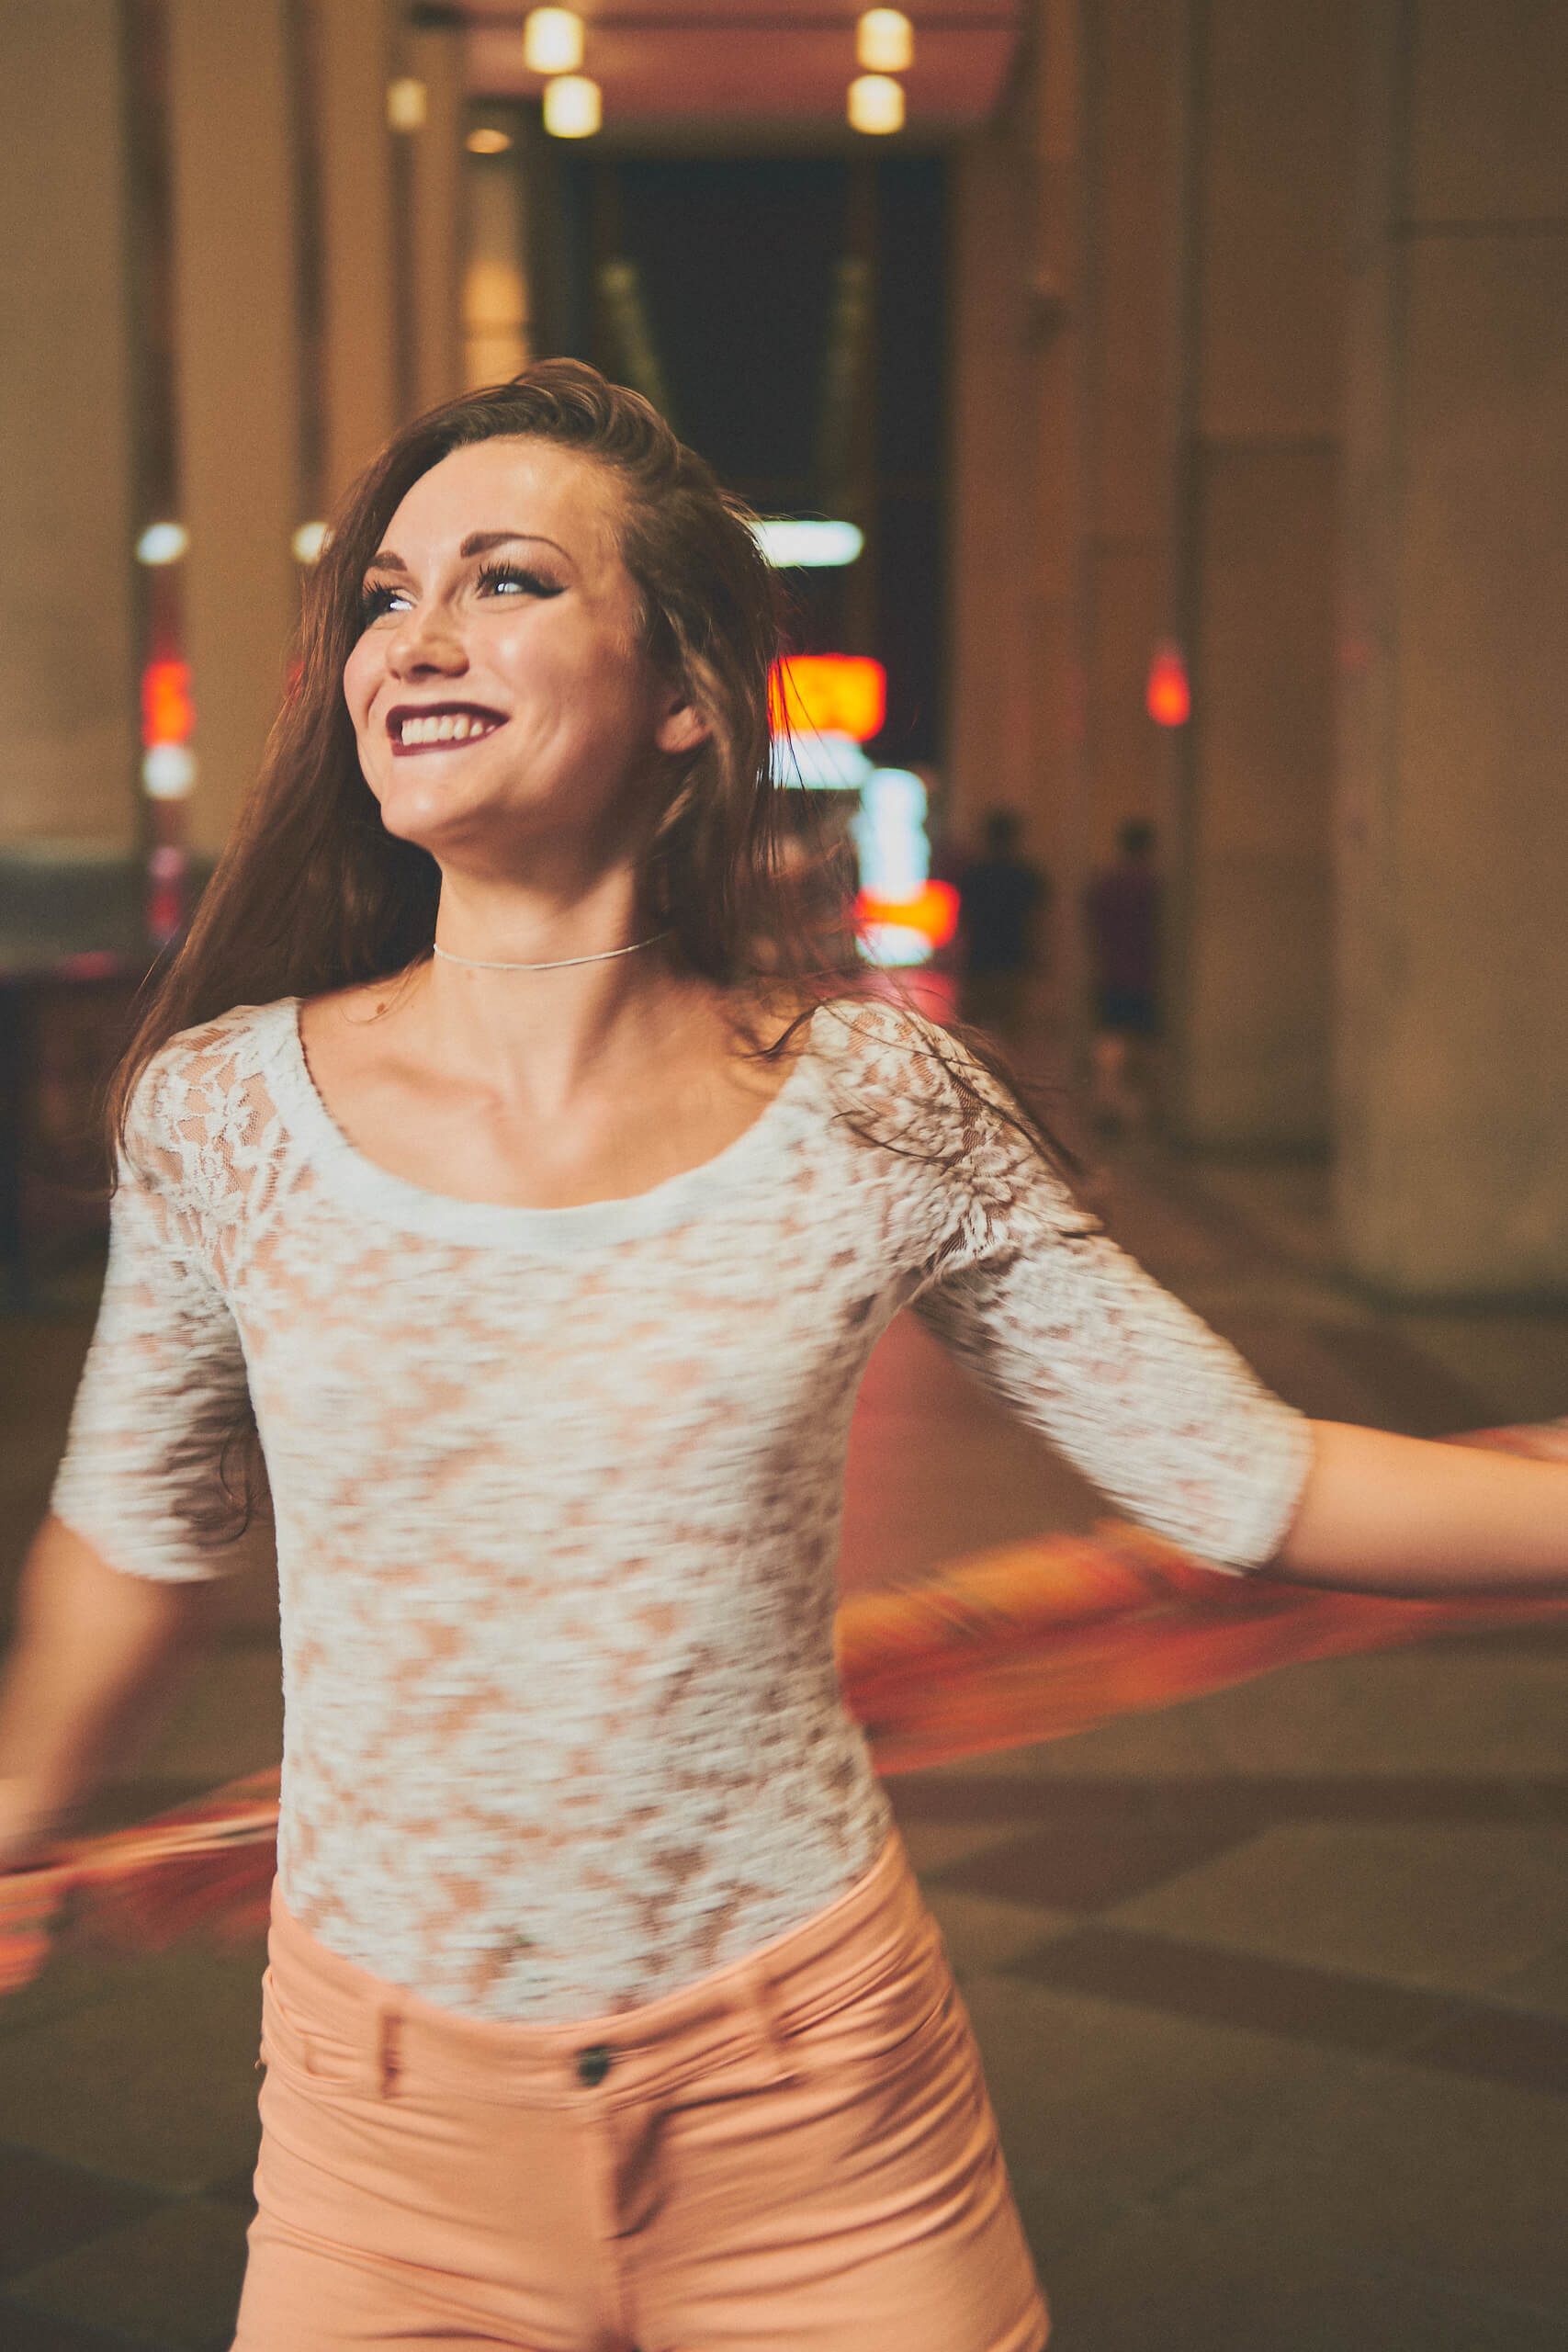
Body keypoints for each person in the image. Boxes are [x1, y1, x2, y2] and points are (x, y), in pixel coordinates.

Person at [1, 363, 1566, 2352]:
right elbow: (138, 1532)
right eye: (384, 596)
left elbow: (1246, 1482)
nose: (417, 639)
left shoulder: (872, 1101)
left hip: (818, 2106)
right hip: (381, 2147)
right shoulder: (222, 1111)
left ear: (685, 693)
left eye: (504, 580)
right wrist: (24, 1798)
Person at [1084, 816, 1160, 1130]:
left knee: (1111, 1043)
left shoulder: (1106, 884)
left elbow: (1092, 930)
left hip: (1111, 971)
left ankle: (1107, 1105)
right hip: (1146, 973)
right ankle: (1140, 1113)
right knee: (1145, 1047)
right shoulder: (1154, 886)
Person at [957, 808, 1048, 1039]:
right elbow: (1037, 923)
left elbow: (963, 922)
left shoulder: (973, 875)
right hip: (1014, 961)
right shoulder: (1026, 875)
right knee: (1013, 1039)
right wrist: (1040, 959)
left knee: (973, 1040)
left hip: (979, 961)